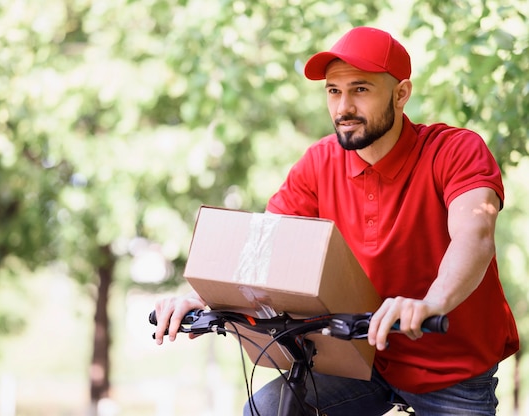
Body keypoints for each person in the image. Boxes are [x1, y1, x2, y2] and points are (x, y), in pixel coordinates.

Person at [153, 26, 519, 415]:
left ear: (401, 94)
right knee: (266, 410)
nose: (343, 107)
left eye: (360, 89)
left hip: (451, 367)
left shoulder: (455, 151)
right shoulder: (319, 163)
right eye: (333, 91)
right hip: (359, 359)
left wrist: (432, 303)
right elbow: (262, 252)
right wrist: (201, 298)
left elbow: (474, 236)